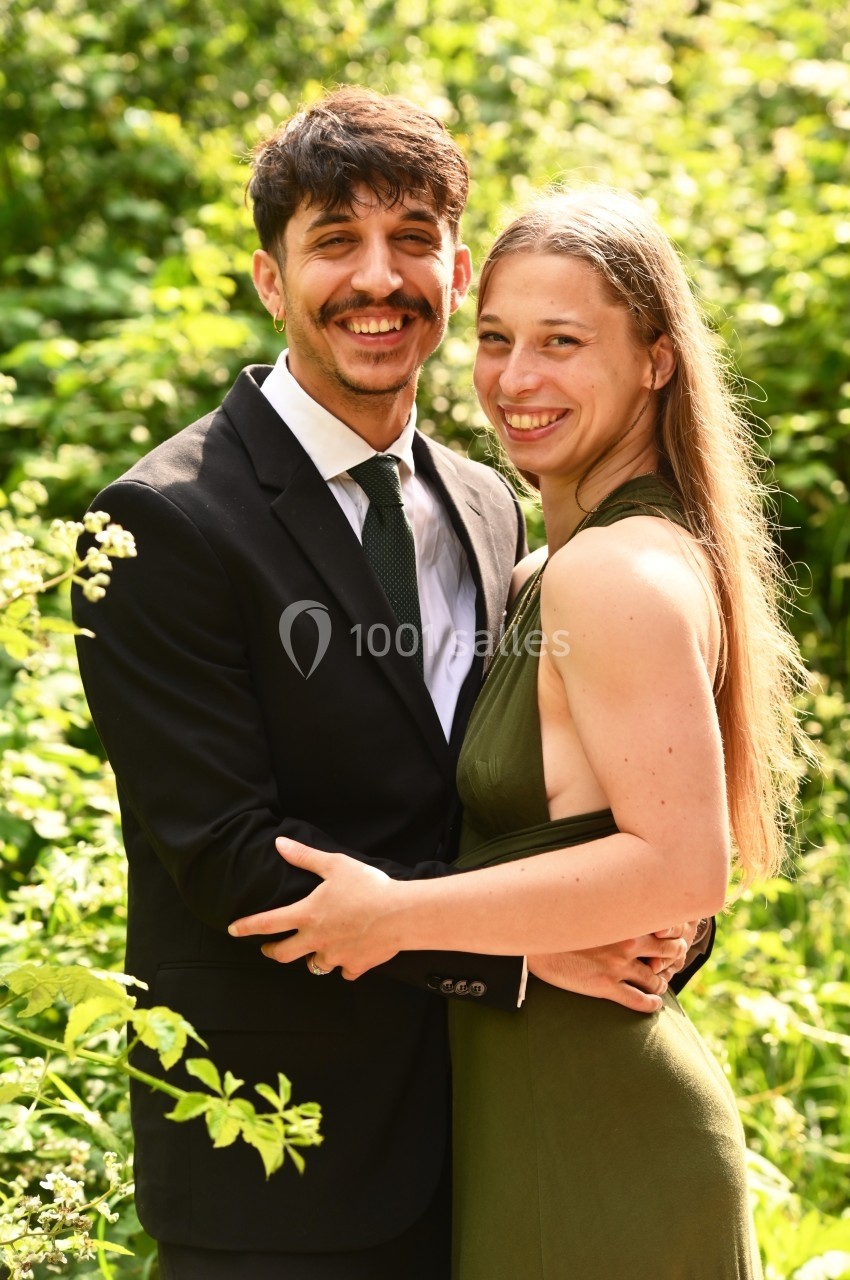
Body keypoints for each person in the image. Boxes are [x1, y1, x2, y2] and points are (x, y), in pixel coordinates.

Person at [73, 90, 706, 1280]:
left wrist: (650, 924)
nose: (379, 276)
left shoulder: (486, 502)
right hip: (279, 1164)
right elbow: (232, 863)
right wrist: (518, 955)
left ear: (456, 272)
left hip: (494, 1135)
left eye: (412, 237)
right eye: (334, 241)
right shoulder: (162, 522)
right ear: (270, 279)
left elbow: (525, 790)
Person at [230, 187, 806, 1277]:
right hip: (526, 1121)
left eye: (561, 343)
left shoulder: (612, 574)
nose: (515, 380)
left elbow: (684, 862)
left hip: (601, 1138)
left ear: (655, 359)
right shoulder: (548, 564)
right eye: (495, 338)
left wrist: (397, 916)